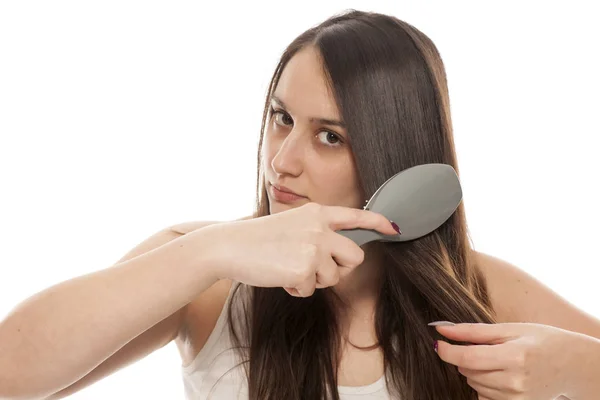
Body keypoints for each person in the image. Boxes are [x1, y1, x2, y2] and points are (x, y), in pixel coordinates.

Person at [1, 9, 599, 400]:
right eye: (281, 118)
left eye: (329, 136)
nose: (282, 161)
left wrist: (579, 371)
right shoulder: (206, 276)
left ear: (395, 157)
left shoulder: (480, 291)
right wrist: (210, 252)